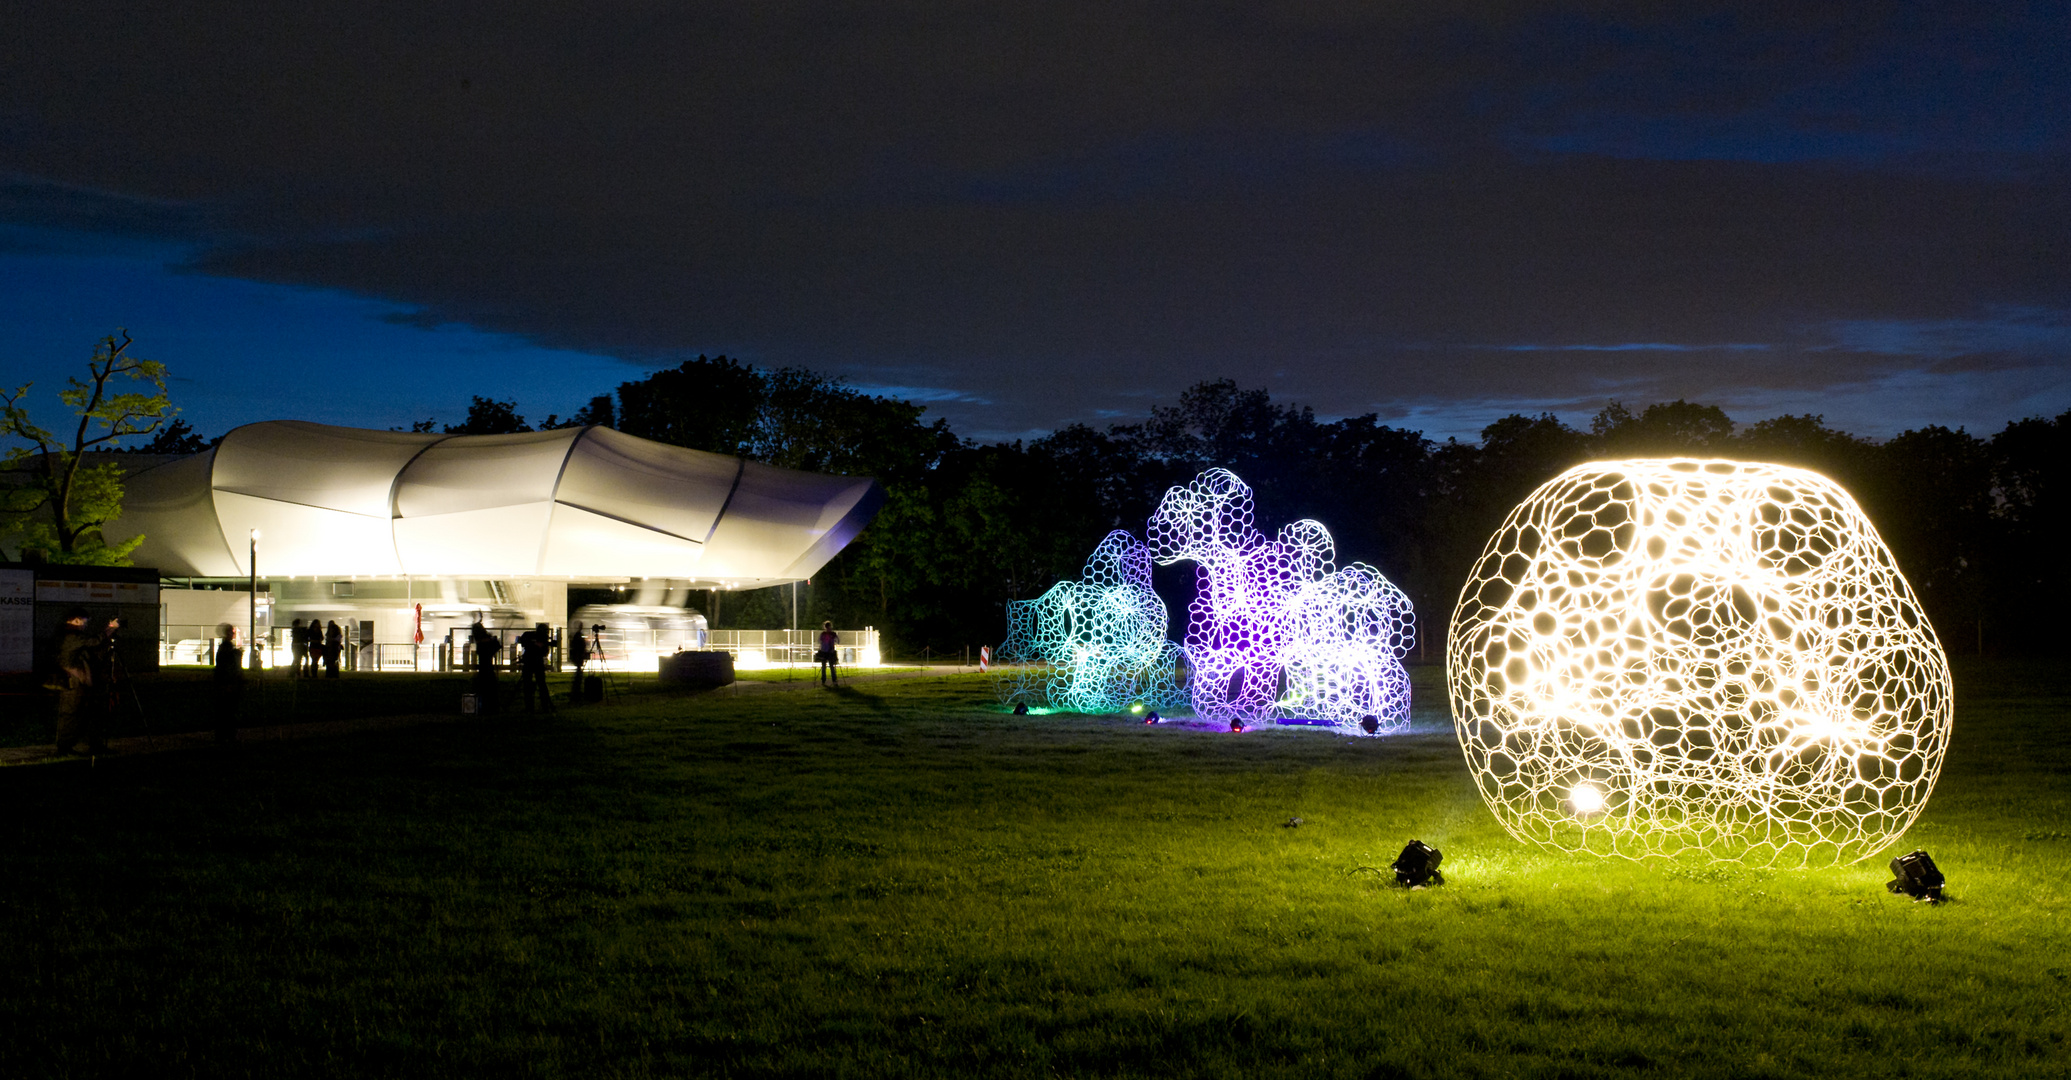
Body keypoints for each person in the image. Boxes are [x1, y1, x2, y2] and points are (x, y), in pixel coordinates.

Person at [48, 608, 99, 755]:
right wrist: (109, 630)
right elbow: (93, 642)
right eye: (84, 622)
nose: (85, 625)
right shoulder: (72, 636)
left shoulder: (65, 635)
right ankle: (65, 747)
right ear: (76, 620)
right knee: (70, 714)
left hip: (73, 680)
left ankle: (71, 744)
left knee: (75, 713)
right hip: (72, 682)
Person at [212, 623, 245, 742]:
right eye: (232, 632)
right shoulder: (227, 648)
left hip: (224, 682)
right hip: (228, 683)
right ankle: (228, 734)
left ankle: (223, 734)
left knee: (224, 710)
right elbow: (229, 665)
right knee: (229, 710)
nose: (233, 634)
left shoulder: (224, 647)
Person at [517, 623, 554, 714]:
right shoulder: (534, 637)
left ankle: (530, 707)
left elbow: (522, 642)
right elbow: (544, 652)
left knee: (529, 685)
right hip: (536, 663)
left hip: (530, 662)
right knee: (541, 685)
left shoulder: (528, 635)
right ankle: (544, 707)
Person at [468, 620, 502, 717]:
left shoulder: (480, 642)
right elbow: (497, 646)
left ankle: (483, 708)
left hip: (483, 668)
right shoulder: (488, 641)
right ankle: (492, 708)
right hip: (489, 668)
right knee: (491, 689)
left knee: (483, 690)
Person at [567, 624, 590, 701]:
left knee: (578, 674)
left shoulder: (577, 635)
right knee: (578, 675)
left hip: (578, 657)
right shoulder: (578, 636)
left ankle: (576, 692)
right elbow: (579, 646)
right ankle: (576, 693)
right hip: (578, 657)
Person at [817, 620, 839, 686]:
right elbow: (819, 641)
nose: (828, 629)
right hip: (824, 652)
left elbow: (838, 640)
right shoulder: (823, 634)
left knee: (831, 667)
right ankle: (824, 680)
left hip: (830, 652)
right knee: (824, 667)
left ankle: (834, 680)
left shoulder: (833, 634)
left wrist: (834, 641)